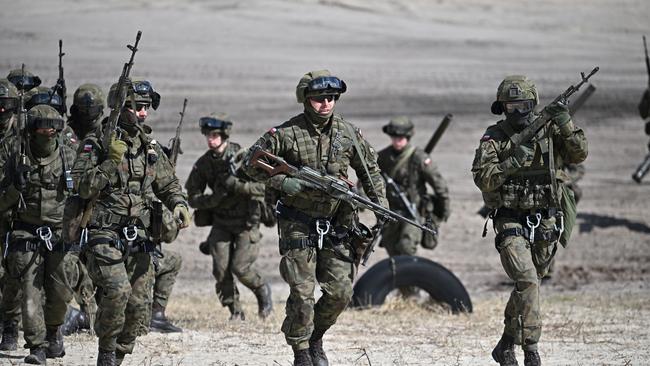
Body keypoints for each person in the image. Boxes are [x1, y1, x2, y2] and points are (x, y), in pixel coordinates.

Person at [241, 70, 388, 366]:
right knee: (303, 293)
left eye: (332, 98)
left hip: (338, 223)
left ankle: (315, 335)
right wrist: (284, 183)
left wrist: (380, 205)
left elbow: (370, 171)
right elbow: (249, 163)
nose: (326, 104)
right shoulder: (286, 134)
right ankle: (301, 351)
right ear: (305, 100)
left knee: (341, 292)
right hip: (298, 222)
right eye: (319, 98)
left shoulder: (348, 133)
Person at [70, 79, 189, 365]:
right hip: (103, 233)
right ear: (120, 107)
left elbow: (168, 184)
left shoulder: (149, 146)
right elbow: (82, 187)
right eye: (139, 107)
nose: (144, 114)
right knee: (118, 292)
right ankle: (107, 353)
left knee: (138, 306)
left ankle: (119, 353)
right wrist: (110, 161)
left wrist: (180, 204)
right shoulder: (96, 142)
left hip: (140, 236)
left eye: (147, 108)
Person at [472, 75, 588, 366]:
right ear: (502, 108)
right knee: (527, 280)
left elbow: (579, 154)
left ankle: (506, 343)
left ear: (533, 103)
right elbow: (483, 179)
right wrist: (512, 161)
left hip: (545, 220)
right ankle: (531, 351)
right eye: (511, 106)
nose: (517, 111)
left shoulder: (549, 129)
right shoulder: (494, 137)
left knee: (530, 284)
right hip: (510, 219)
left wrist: (565, 122)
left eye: (523, 105)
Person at [0, 105, 77, 364]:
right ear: (32, 130)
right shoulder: (17, 156)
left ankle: (55, 332)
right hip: (26, 232)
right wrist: (14, 187)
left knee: (59, 292)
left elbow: (84, 194)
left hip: (59, 234)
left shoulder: (69, 156)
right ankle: (37, 347)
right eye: (43, 127)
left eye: (53, 128)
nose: (49, 132)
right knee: (29, 291)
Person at [185, 112, 272, 321]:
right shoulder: (204, 163)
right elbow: (192, 197)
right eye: (208, 135)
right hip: (221, 223)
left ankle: (262, 291)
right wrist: (214, 200)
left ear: (224, 136)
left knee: (240, 268)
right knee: (221, 270)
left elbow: (265, 187)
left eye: (215, 135)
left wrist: (237, 185)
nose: (210, 139)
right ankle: (235, 311)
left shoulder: (244, 158)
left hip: (246, 223)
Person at [377, 116, 450, 256]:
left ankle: (411, 276)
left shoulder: (418, 158)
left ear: (408, 136)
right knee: (391, 248)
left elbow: (438, 184)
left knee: (406, 247)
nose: (397, 140)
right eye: (394, 137)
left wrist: (444, 208)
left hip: (413, 213)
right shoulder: (383, 157)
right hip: (391, 213)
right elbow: (368, 177)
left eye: (401, 137)